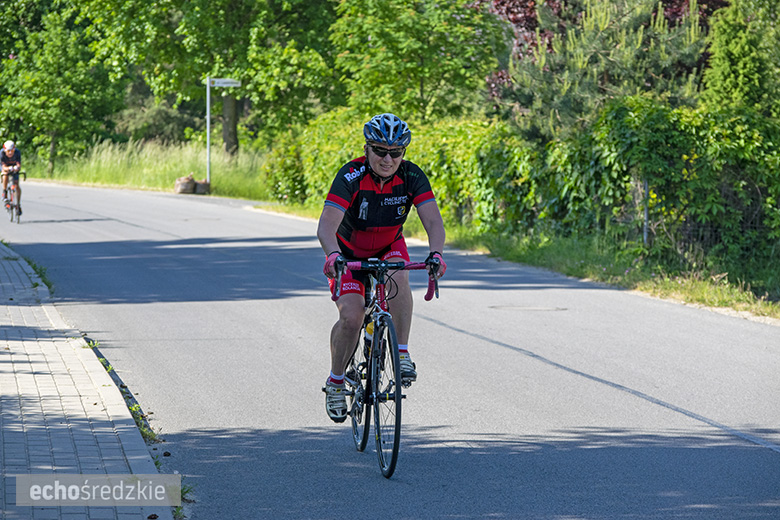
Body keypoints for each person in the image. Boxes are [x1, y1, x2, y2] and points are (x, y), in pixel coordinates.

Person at [317, 113, 447, 423]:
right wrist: (333, 255)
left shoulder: (412, 176)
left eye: (396, 153)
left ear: (403, 153)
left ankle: (401, 352)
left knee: (398, 274)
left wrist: (436, 253)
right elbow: (326, 226)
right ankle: (337, 381)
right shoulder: (351, 175)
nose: (388, 159)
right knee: (352, 316)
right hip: (349, 255)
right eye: (379, 151)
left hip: (389, 247)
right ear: (367, 149)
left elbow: (433, 220)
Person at [1, 140, 22, 213]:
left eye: (12, 150)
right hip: (5, 167)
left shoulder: (17, 152)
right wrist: (8, 168)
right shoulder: (2, 153)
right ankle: (4, 191)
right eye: (8, 151)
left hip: (14, 166)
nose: (10, 153)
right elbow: (3, 166)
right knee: (5, 173)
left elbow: (19, 164)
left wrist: (17, 168)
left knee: (16, 185)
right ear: (5, 150)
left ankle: (18, 204)